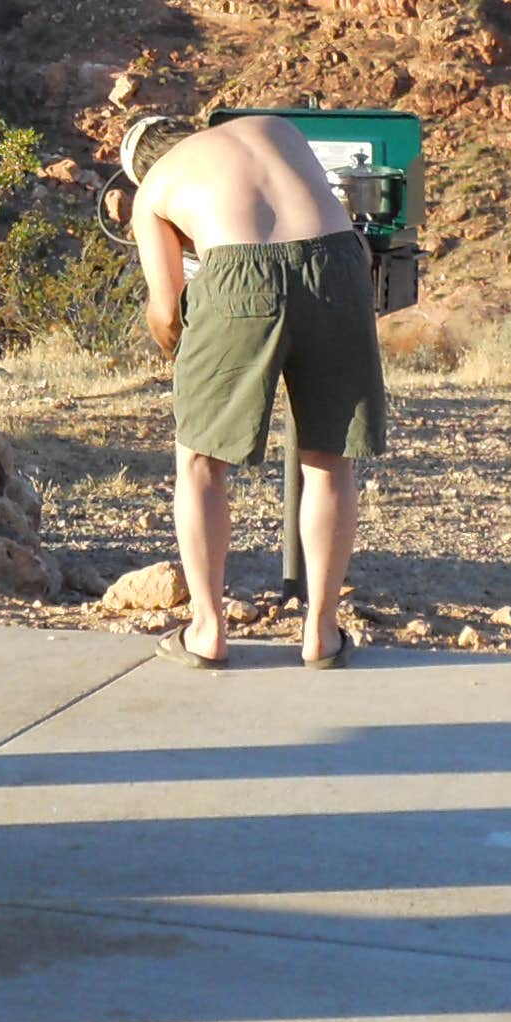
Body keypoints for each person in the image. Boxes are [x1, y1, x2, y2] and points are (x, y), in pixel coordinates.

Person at [124, 113, 388, 666]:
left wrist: (181, 351)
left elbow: (167, 307)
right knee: (329, 457)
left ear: (139, 165)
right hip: (338, 262)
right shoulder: (274, 127)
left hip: (238, 272)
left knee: (199, 461)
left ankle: (207, 630)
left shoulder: (153, 188)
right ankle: (322, 632)